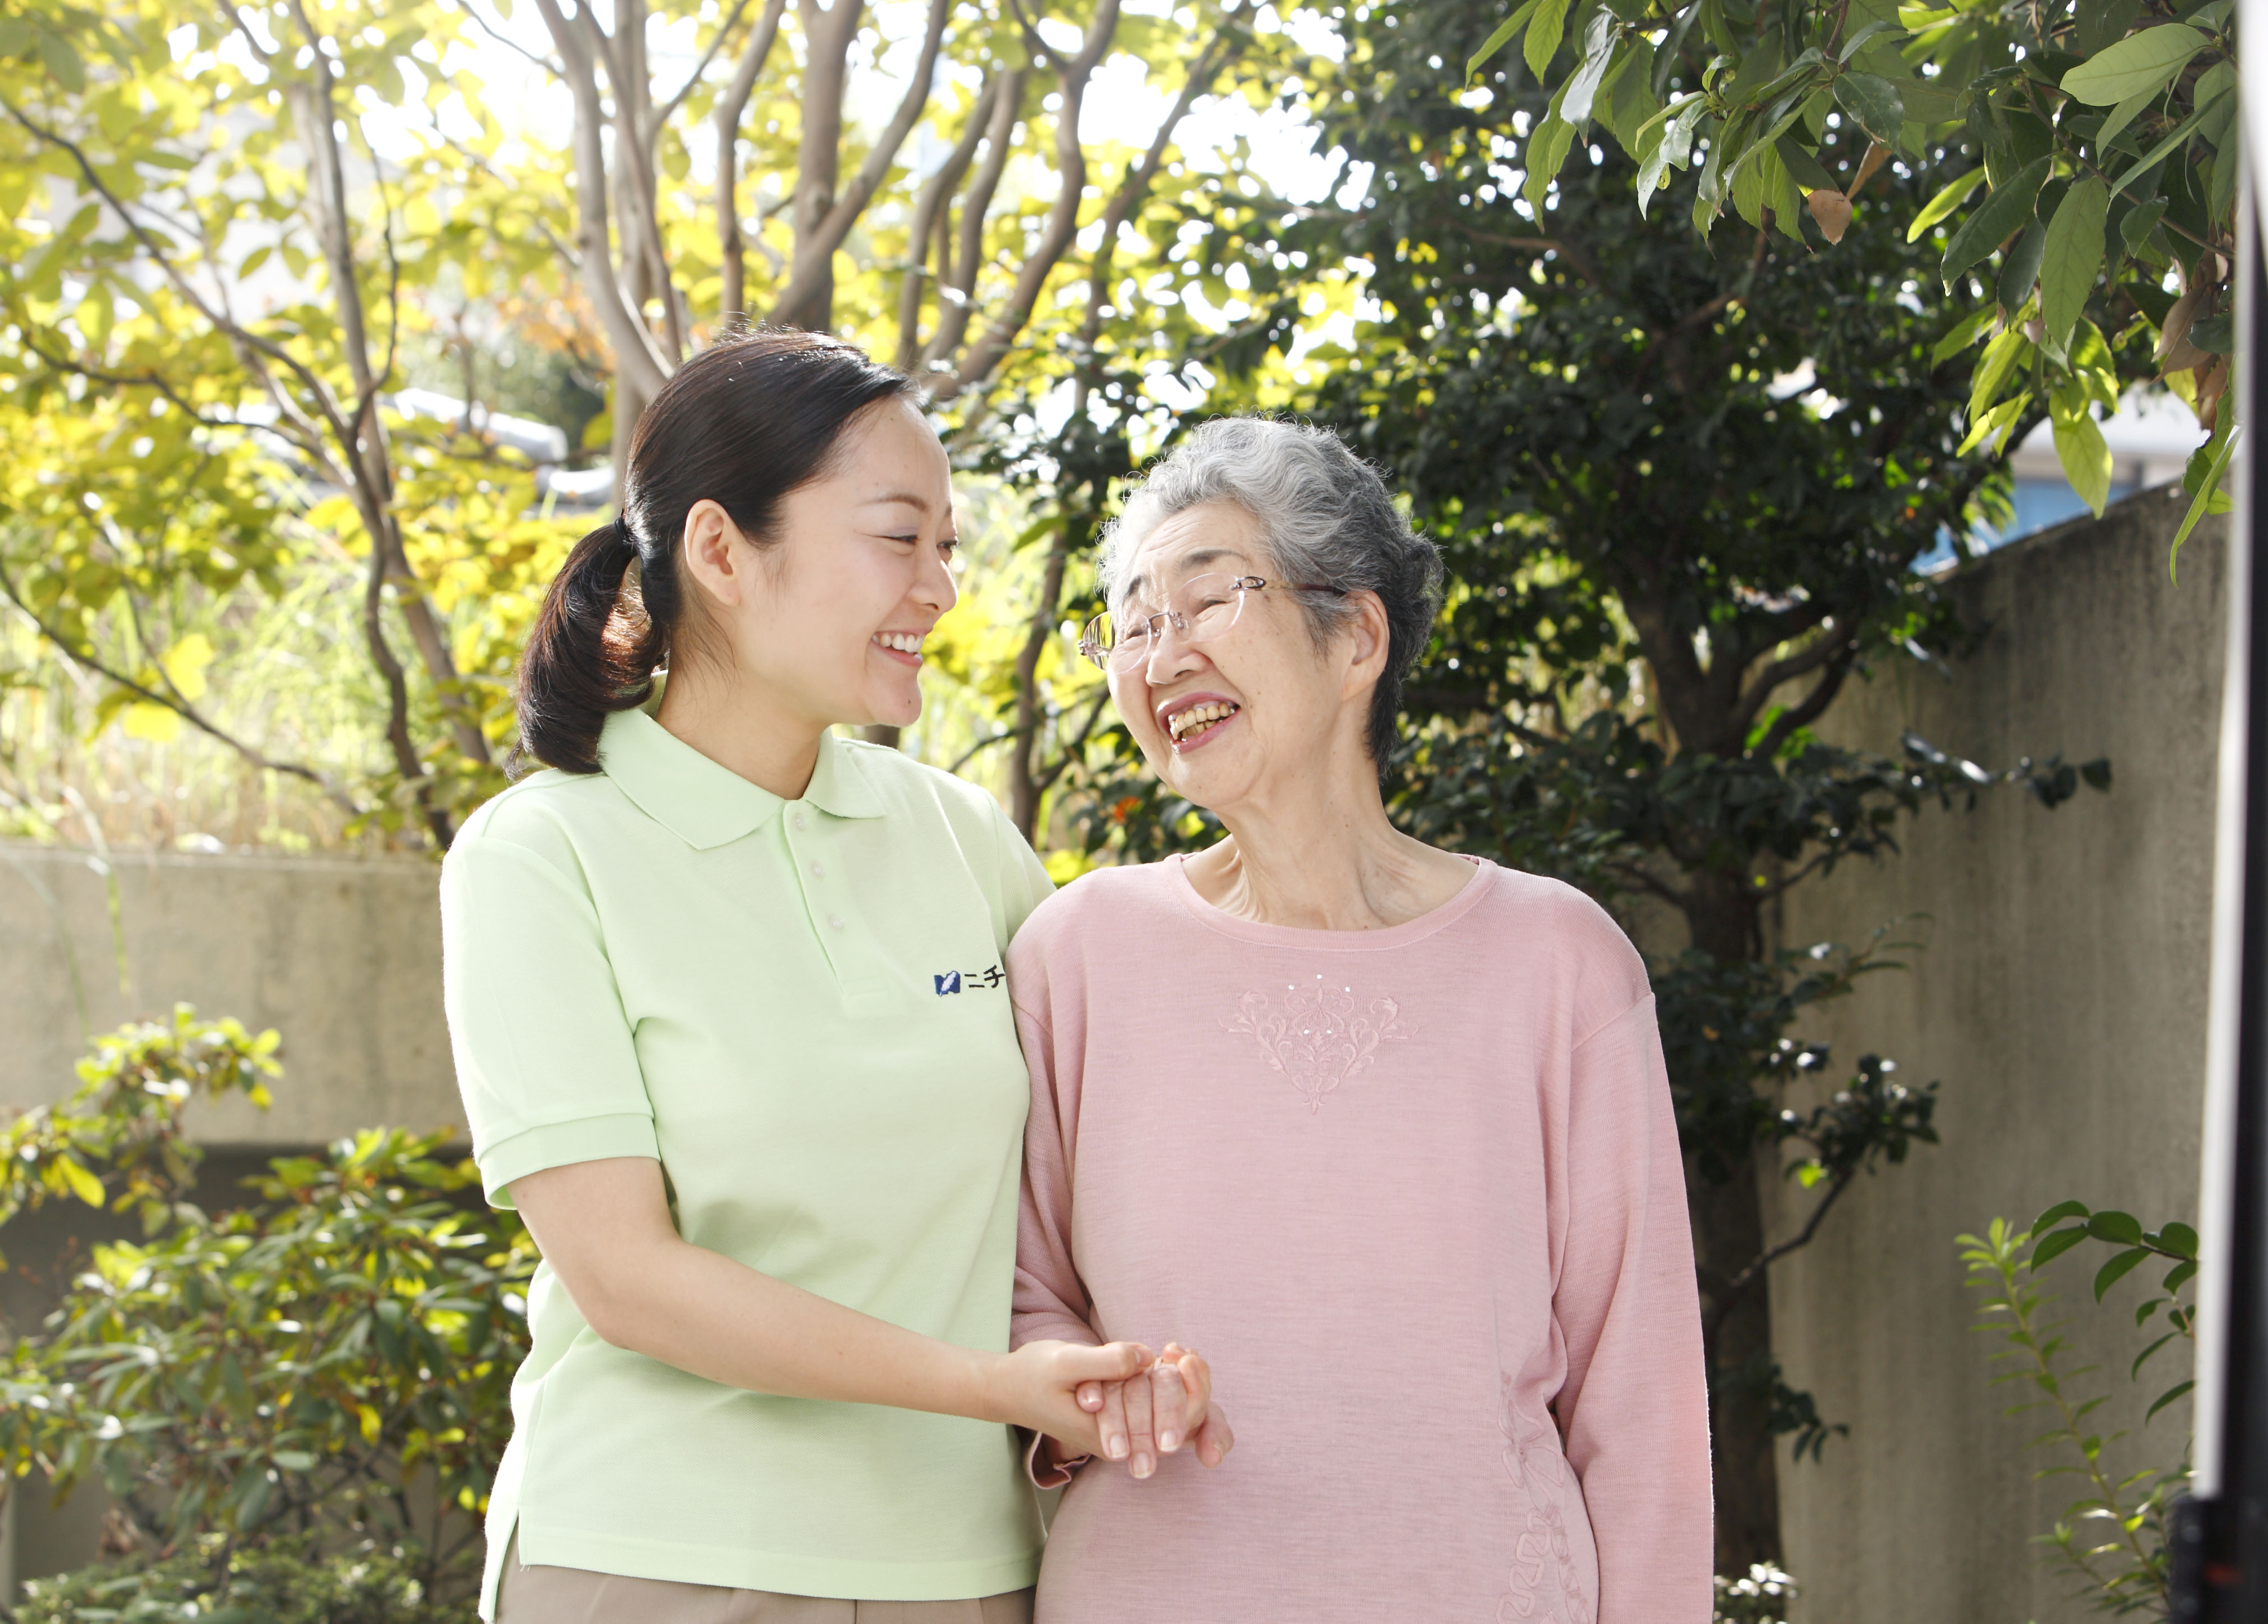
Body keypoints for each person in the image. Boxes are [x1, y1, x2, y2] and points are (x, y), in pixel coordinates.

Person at [439, 331, 1223, 1624]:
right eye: (899, 538)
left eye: (950, 547)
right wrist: (995, 1387)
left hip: (967, 1572)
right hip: (657, 1561)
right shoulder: (540, 857)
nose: (941, 587)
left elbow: (1089, 1182)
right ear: (721, 551)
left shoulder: (965, 842)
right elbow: (628, 1281)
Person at [1011, 417, 1712, 1621]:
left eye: (1203, 599)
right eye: (1131, 624)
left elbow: (1641, 1409)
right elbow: (1020, 1298)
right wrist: (1089, 1392)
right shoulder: (1076, 955)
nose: (1159, 653)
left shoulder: (1559, 963)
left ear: (1357, 638)